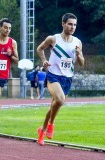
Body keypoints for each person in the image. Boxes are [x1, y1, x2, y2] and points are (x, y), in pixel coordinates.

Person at [36, 13, 84, 145]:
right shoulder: (53, 39)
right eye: (69, 24)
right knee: (60, 100)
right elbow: (39, 49)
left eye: (74, 25)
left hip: (67, 78)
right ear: (63, 24)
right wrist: (44, 60)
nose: (72, 27)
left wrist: (79, 55)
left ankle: (42, 131)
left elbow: (81, 63)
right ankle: (51, 124)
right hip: (53, 75)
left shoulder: (77, 42)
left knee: (54, 106)